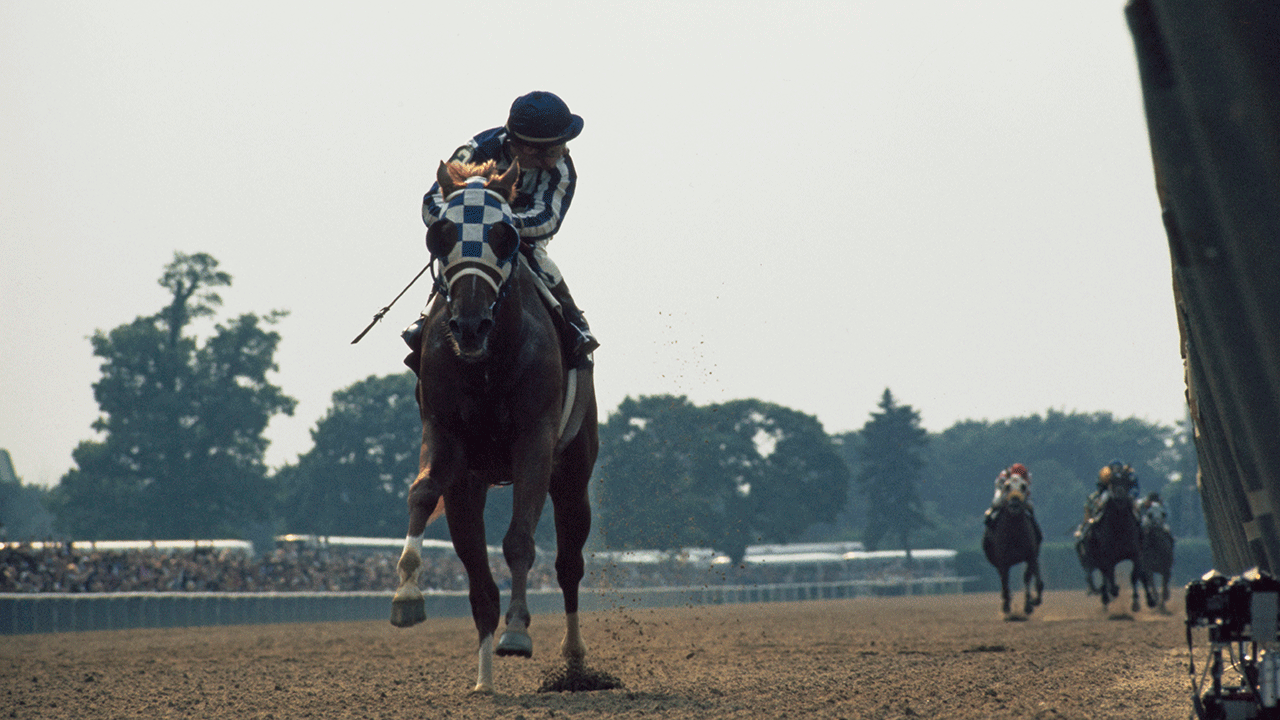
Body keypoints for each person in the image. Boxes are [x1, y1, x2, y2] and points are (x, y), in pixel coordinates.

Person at [404, 91, 599, 368]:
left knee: (539, 259)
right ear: (530, 149)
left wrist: (501, 222)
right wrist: (464, 221)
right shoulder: (478, 149)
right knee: (458, 259)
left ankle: (574, 322)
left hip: (521, 235)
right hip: (468, 229)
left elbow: (547, 218)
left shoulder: (562, 169)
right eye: (558, 147)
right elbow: (433, 200)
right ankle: (425, 321)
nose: (564, 152)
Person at [984, 463, 1041, 543]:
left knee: (1030, 506)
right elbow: (999, 485)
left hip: (1021, 493)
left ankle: (1035, 530)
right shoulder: (1004, 475)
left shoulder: (1027, 476)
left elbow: (1027, 490)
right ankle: (991, 514)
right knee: (997, 501)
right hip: (1004, 491)